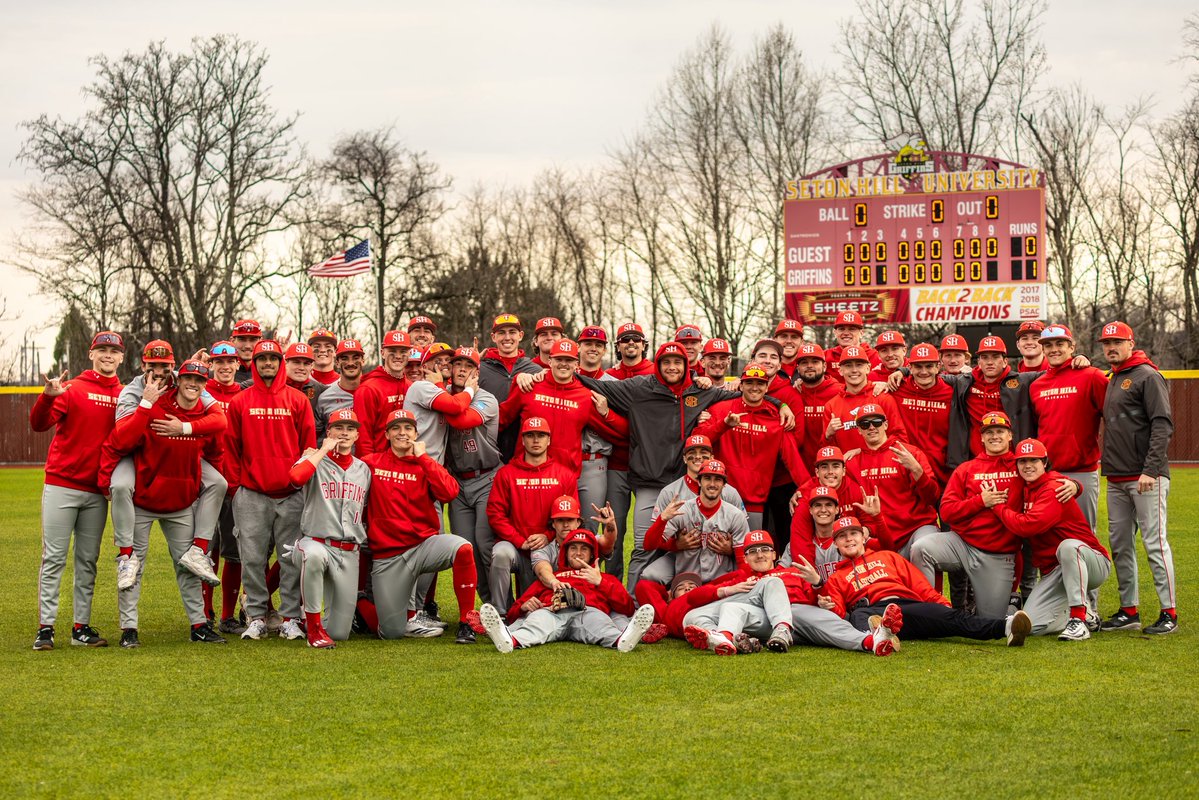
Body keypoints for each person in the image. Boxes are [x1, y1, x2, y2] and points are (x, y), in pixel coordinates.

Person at [578, 342, 790, 590]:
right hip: (649, 482)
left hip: (684, 484)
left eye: (677, 362)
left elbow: (749, 395)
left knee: (691, 543)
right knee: (643, 547)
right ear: (657, 365)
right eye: (666, 362)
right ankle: (633, 606)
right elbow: (595, 385)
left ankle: (676, 599)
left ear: (686, 365)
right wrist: (554, 373)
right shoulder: (639, 388)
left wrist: (780, 404)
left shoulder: (697, 390)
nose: (672, 367)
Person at [99, 360, 228, 645]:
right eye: (188, 379)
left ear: (205, 385)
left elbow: (216, 447)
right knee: (132, 567)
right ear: (177, 380)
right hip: (144, 500)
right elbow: (117, 443)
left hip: (180, 504)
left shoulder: (204, 415)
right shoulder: (156, 407)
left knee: (188, 568)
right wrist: (104, 480)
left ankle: (199, 626)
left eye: (199, 380)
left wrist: (186, 430)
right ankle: (129, 630)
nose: (193, 384)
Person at [29, 331, 125, 650]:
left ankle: (80, 627)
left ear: (121, 358)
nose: (108, 355)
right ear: (91, 354)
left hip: (97, 491)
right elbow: (38, 424)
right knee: (54, 557)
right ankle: (46, 628)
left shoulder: (125, 394)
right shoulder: (73, 389)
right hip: (62, 483)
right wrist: (47, 395)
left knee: (87, 560)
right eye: (103, 350)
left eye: (114, 350)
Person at [359, 409, 483, 643]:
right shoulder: (372, 463)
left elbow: (449, 492)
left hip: (422, 547)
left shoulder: (425, 465)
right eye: (395, 428)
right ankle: (358, 601)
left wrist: (424, 458)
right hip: (389, 556)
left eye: (408, 428)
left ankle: (466, 623)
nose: (402, 433)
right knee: (391, 632)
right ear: (387, 434)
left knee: (463, 548)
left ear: (416, 433)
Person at [820, 517, 1032, 646]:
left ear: (863, 537)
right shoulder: (836, 578)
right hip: (873, 609)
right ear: (836, 544)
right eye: (842, 536)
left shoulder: (888, 556)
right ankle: (880, 635)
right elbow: (839, 613)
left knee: (955, 620)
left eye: (853, 534)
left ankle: (1007, 627)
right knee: (858, 615)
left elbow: (918, 584)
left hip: (906, 606)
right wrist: (828, 605)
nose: (849, 539)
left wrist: (939, 605)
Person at [684, 529, 898, 657]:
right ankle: (726, 639)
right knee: (696, 615)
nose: (760, 555)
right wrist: (728, 589)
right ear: (745, 558)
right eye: (753, 552)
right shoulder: (739, 578)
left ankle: (872, 641)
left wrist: (817, 584)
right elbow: (693, 598)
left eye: (765, 549)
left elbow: (823, 599)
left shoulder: (793, 572)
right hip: (764, 622)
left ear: (775, 554)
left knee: (774, 585)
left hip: (798, 614)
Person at [227, 339, 316, 642]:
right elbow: (230, 447)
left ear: (280, 362)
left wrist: (298, 482)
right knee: (251, 558)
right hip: (252, 493)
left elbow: (309, 448)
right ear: (253, 363)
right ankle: (256, 617)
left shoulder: (297, 400)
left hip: (291, 493)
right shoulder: (241, 400)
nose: (267, 363)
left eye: (273, 358)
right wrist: (238, 484)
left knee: (290, 559)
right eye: (261, 358)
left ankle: (290, 617)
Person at [1097, 321, 1178, 634]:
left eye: (1117, 341)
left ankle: (1169, 612)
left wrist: (1151, 469)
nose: (1111, 347)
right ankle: (1129, 610)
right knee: (1120, 546)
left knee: (1155, 544)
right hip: (1116, 477)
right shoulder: (1113, 378)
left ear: (1131, 343)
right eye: (1106, 343)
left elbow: (1162, 424)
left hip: (1146, 477)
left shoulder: (1147, 375)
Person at [993, 439, 1111, 641]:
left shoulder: (1053, 488)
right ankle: (1085, 615)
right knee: (1030, 625)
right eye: (1022, 461)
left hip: (1091, 563)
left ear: (1045, 462)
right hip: (1056, 572)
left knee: (1068, 547)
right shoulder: (1026, 486)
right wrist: (1076, 485)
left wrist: (998, 507)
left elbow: (1026, 526)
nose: (1028, 465)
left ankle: (1078, 621)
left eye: (1034, 460)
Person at [911, 412, 1025, 619]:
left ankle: (1011, 603)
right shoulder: (967, 469)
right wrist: (981, 501)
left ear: (1010, 435)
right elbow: (946, 511)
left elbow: (1047, 480)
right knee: (921, 548)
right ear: (981, 437)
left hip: (997, 554)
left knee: (990, 620)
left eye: (1000, 431)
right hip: (962, 544)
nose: (994, 436)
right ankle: (928, 611)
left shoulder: (1021, 466)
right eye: (989, 432)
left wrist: (1074, 485)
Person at [478, 529, 655, 653]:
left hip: (588, 611)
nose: (578, 553)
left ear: (592, 554)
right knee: (536, 623)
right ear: (565, 552)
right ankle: (509, 640)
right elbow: (516, 608)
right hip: (551, 611)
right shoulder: (554, 576)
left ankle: (623, 640)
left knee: (603, 626)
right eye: (573, 548)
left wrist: (600, 582)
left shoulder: (604, 578)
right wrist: (523, 607)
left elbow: (626, 607)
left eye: (584, 548)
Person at [285, 409, 372, 647]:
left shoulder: (363, 470)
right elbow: (296, 477)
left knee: (339, 632)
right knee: (312, 556)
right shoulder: (314, 459)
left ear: (357, 435)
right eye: (338, 427)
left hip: (348, 551)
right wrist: (322, 450)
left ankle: (311, 623)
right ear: (329, 432)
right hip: (316, 542)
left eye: (350, 428)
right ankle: (313, 628)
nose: (344, 433)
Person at [695, 365, 808, 530]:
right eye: (749, 383)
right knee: (714, 550)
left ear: (767, 387)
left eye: (760, 383)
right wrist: (724, 425)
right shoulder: (721, 409)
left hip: (754, 503)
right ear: (741, 385)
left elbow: (793, 460)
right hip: (719, 497)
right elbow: (699, 441)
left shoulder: (776, 418)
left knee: (749, 551)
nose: (755, 387)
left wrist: (808, 488)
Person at [486, 417, 577, 614]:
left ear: (549, 440)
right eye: (530, 435)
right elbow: (495, 514)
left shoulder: (565, 475)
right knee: (500, 554)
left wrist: (548, 535)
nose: (536, 440)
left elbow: (570, 518)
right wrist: (519, 541)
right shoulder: (506, 474)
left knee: (534, 610)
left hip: (550, 547)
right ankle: (501, 613)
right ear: (523, 440)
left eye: (541, 435)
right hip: (516, 545)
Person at [501, 338, 627, 481]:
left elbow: (618, 433)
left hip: (564, 478)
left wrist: (607, 413)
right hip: (527, 476)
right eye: (559, 359)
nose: (563, 364)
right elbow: (500, 420)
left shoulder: (584, 396)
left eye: (568, 360)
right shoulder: (529, 386)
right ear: (550, 361)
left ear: (576, 364)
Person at [1028, 324, 1109, 528]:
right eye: (1048, 345)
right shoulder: (1037, 385)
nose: (1054, 349)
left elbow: (1113, 419)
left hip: (1081, 471)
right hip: (1047, 473)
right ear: (1043, 350)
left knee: (1084, 535)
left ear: (1072, 347)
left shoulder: (1091, 376)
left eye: (1060, 343)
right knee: (1048, 535)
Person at [444, 348, 503, 606]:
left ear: (476, 373)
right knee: (465, 549)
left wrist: (455, 395)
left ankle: (502, 608)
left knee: (485, 545)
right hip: (457, 482)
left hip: (486, 478)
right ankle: (480, 608)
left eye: (468, 365)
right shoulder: (443, 396)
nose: (462, 369)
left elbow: (463, 419)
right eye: (457, 364)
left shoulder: (486, 398)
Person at [845, 404, 939, 557]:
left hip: (917, 528)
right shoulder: (852, 462)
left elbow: (932, 498)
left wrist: (917, 470)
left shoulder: (910, 453)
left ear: (886, 425)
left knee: (922, 547)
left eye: (876, 422)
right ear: (859, 430)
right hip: (879, 535)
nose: (871, 427)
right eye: (865, 424)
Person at [639, 459, 749, 588]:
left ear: (724, 484)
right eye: (707, 478)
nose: (712, 484)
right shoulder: (682, 511)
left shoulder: (735, 515)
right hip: (687, 583)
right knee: (645, 585)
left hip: (721, 581)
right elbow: (648, 545)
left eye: (718, 479)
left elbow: (744, 559)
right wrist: (662, 519)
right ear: (699, 481)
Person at [204, 340, 245, 632]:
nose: (226, 366)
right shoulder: (200, 391)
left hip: (234, 484)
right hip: (204, 483)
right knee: (206, 551)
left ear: (238, 364)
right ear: (211, 366)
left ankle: (227, 615)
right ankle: (204, 613)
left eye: (230, 361)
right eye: (219, 362)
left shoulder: (244, 395)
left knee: (234, 553)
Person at [478, 313, 542, 459]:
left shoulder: (535, 370)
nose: (507, 337)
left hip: (526, 450)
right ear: (493, 337)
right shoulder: (480, 369)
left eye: (512, 332)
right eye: (501, 333)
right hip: (487, 450)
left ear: (520, 335)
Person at [890, 343, 953, 485]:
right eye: (918, 366)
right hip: (906, 467)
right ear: (910, 368)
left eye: (929, 366)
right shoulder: (897, 388)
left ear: (938, 367)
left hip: (943, 469)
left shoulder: (952, 393)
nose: (924, 372)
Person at [823, 346, 907, 452]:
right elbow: (827, 452)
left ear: (868, 368)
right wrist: (828, 436)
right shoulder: (831, 406)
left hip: (881, 466)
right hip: (848, 467)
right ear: (840, 370)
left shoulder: (883, 398)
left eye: (859, 365)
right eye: (848, 366)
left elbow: (900, 438)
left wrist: (864, 453)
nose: (854, 370)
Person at [353, 330, 412, 457]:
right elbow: (363, 438)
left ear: (410, 353)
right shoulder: (368, 389)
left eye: (403, 351)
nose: (398, 356)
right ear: (382, 353)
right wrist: (369, 468)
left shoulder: (411, 387)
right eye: (392, 351)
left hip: (407, 464)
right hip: (379, 465)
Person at [794, 342, 842, 466]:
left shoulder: (840, 391)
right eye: (804, 362)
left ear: (825, 366)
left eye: (815, 362)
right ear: (798, 368)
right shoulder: (793, 393)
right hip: (802, 468)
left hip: (834, 467)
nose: (809, 366)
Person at [283, 343, 329, 439]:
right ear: (285, 362)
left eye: (306, 363)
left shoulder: (319, 389)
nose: (301, 368)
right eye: (296, 362)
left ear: (312, 366)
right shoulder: (272, 384)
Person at [824, 310, 880, 383]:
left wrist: (900, 371)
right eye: (841, 329)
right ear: (835, 332)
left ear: (861, 333)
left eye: (852, 329)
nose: (846, 333)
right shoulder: (825, 356)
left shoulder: (876, 356)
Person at [315, 338, 366, 420]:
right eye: (344, 358)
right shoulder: (325, 398)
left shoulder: (374, 392)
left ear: (363, 361)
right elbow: (318, 431)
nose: (350, 363)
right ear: (337, 363)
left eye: (355, 358)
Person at [229, 319, 263, 384]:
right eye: (242, 339)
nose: (247, 346)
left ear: (261, 341)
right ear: (232, 341)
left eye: (253, 340)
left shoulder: (268, 371)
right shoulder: (220, 372)